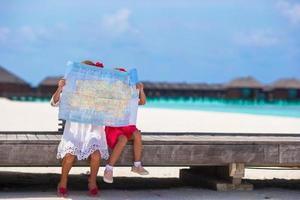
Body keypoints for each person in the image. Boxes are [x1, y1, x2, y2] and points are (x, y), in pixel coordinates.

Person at [51, 60, 108, 197]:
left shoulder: (98, 92)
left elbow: (109, 108)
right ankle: (63, 182)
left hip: (92, 130)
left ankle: (92, 182)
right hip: (75, 131)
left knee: (96, 155)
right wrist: (60, 88)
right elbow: (54, 102)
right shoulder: (72, 90)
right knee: (69, 156)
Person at [103, 68, 149, 184]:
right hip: (114, 128)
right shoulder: (111, 94)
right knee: (122, 139)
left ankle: (137, 165)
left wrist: (141, 90)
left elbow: (142, 102)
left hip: (128, 127)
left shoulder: (131, 93)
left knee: (137, 134)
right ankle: (109, 169)